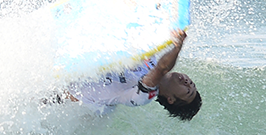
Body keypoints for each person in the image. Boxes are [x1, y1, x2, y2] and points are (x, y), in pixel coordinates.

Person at [62, 27, 203, 120]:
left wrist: (177, 47)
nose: (189, 83)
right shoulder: (151, 59)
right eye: (193, 84)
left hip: (62, 95)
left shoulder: (144, 96)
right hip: (77, 68)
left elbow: (161, 69)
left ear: (170, 99)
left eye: (188, 91)